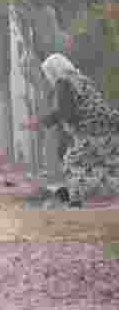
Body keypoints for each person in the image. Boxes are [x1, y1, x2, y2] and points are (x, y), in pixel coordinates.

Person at [22, 53, 119, 207]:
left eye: (48, 73)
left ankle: (80, 198)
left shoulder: (63, 82)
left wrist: (41, 122)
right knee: (104, 164)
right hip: (111, 128)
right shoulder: (81, 79)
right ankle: (104, 195)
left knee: (73, 163)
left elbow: (65, 112)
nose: (48, 77)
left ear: (53, 71)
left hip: (94, 132)